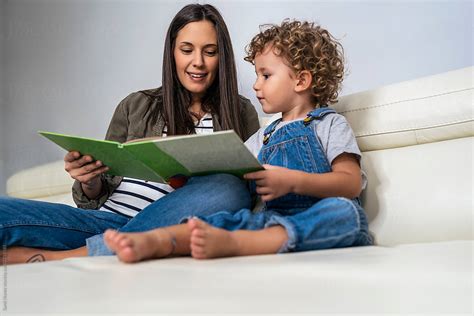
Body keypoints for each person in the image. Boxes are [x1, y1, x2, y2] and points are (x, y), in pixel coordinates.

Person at [0, 4, 260, 264]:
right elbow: (95, 196)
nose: (198, 62)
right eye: (186, 50)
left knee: (230, 188)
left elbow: (251, 192)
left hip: (166, 228)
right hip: (100, 222)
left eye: (210, 52)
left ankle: (69, 256)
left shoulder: (240, 113)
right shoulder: (136, 105)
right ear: (172, 53)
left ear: (221, 56)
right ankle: (105, 247)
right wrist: (90, 181)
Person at [103, 19, 374, 263]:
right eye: (257, 75)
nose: (256, 85)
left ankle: (238, 242)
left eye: (265, 75)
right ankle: (159, 240)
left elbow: (349, 183)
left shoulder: (329, 124)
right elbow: (229, 175)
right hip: (270, 219)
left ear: (301, 80)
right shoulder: (263, 136)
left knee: (345, 213)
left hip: (319, 215)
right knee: (222, 219)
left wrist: (292, 181)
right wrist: (181, 169)